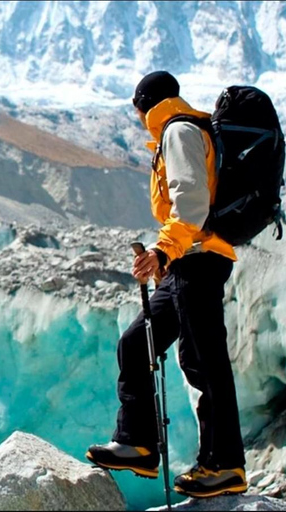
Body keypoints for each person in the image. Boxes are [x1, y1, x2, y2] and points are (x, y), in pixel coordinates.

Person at [85, 71, 247, 498]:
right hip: (183, 263)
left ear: (144, 105)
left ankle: (225, 464)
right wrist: (166, 259)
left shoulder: (178, 131)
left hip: (200, 259)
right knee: (136, 343)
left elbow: (191, 203)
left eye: (136, 110)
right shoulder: (175, 132)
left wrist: (161, 251)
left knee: (203, 360)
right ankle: (137, 444)